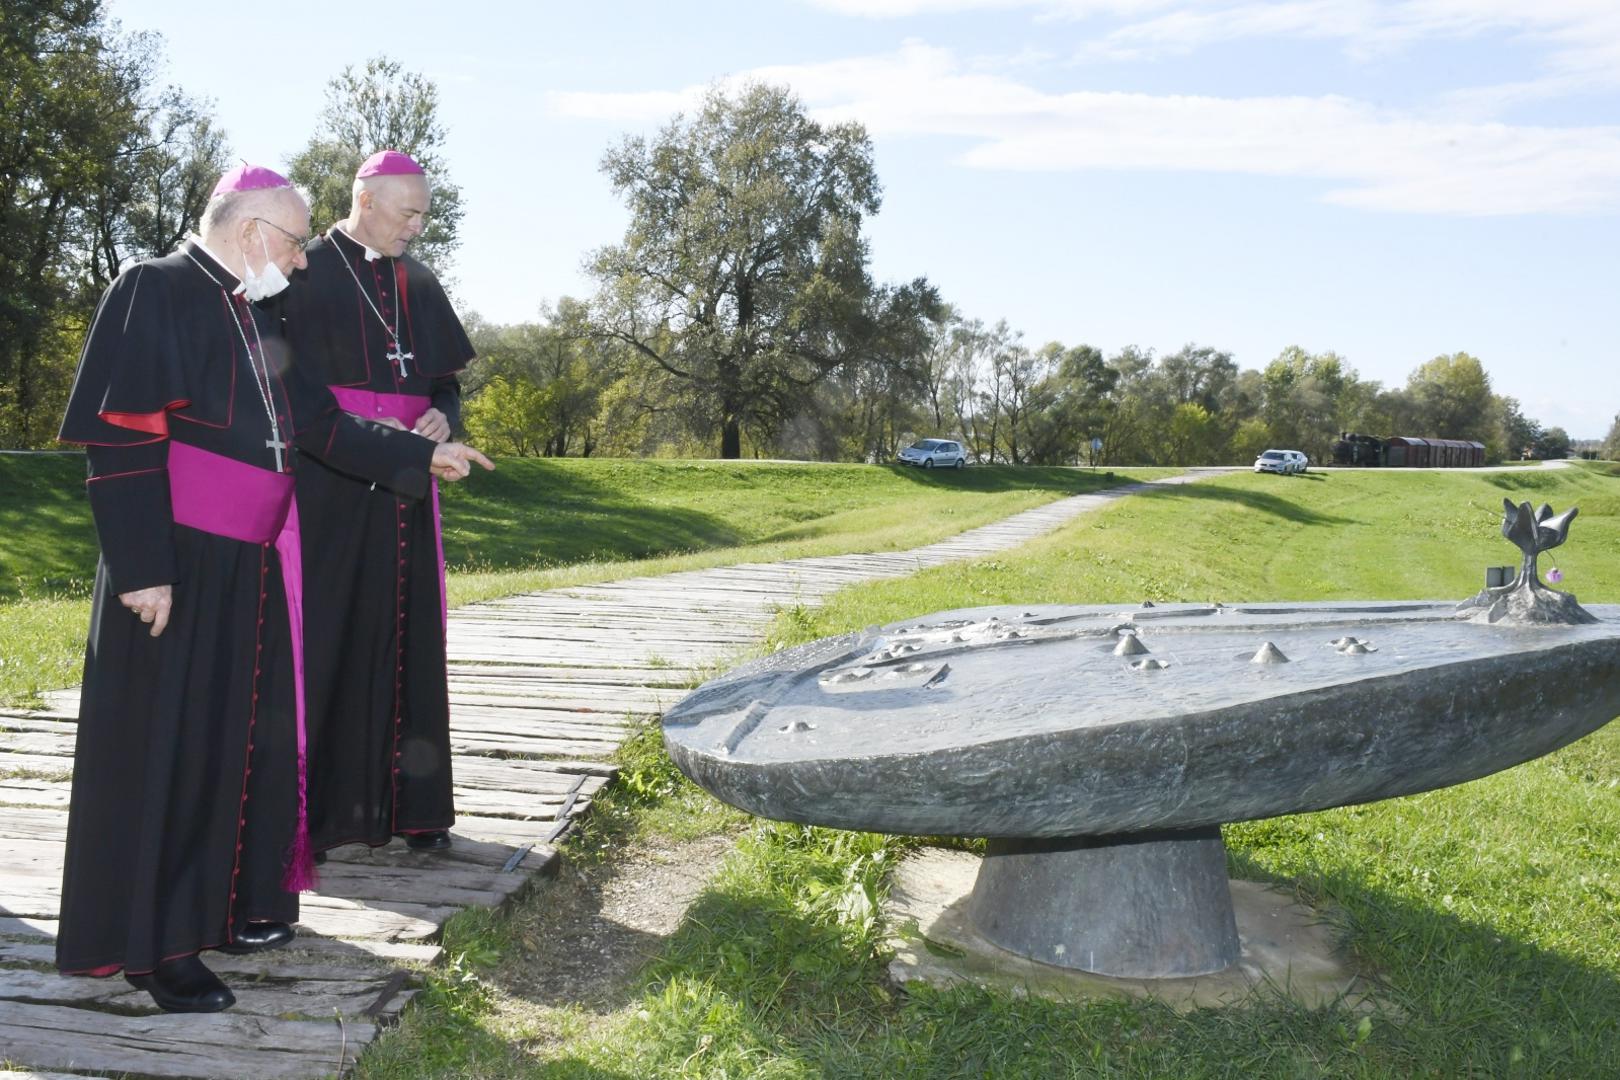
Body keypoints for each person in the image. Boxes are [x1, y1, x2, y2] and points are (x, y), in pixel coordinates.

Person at [55, 165, 492, 1013]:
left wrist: (420, 453)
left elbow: (320, 425)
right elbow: (121, 440)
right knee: (171, 753)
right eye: (293, 244)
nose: (300, 262)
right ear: (253, 230)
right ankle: (155, 948)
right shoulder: (154, 287)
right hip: (177, 564)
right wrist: (143, 569)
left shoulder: (252, 308)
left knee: (231, 748)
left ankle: (220, 911)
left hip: (249, 565)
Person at [280, 150, 472, 858]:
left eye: (423, 214)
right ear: (365, 199)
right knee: (331, 633)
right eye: (408, 213)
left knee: (411, 636)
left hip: (410, 484)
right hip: (330, 481)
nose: (417, 227)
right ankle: (325, 815)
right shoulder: (303, 271)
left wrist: (444, 416)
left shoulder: (418, 280)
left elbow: (445, 380)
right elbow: (289, 391)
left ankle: (415, 807)